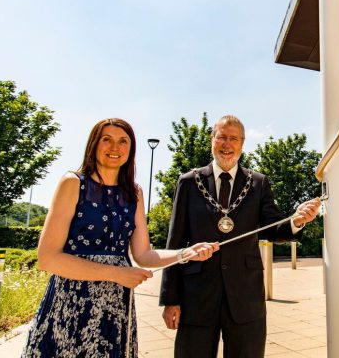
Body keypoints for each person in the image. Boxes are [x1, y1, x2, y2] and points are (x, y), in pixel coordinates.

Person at [22, 118, 219, 358]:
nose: (115, 148)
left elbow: (143, 254)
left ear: (131, 149)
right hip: (72, 300)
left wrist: (184, 254)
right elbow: (48, 258)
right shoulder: (73, 183)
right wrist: (117, 274)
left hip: (115, 304)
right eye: (107, 140)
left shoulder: (133, 192)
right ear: (94, 144)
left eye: (123, 141)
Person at [160, 114, 321, 358]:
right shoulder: (189, 182)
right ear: (212, 140)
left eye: (233, 138)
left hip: (246, 296)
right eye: (222, 137)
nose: (227, 144)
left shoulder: (258, 183)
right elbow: (175, 243)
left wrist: (296, 220)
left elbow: (272, 228)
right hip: (197, 297)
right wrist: (170, 299)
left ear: (242, 143)